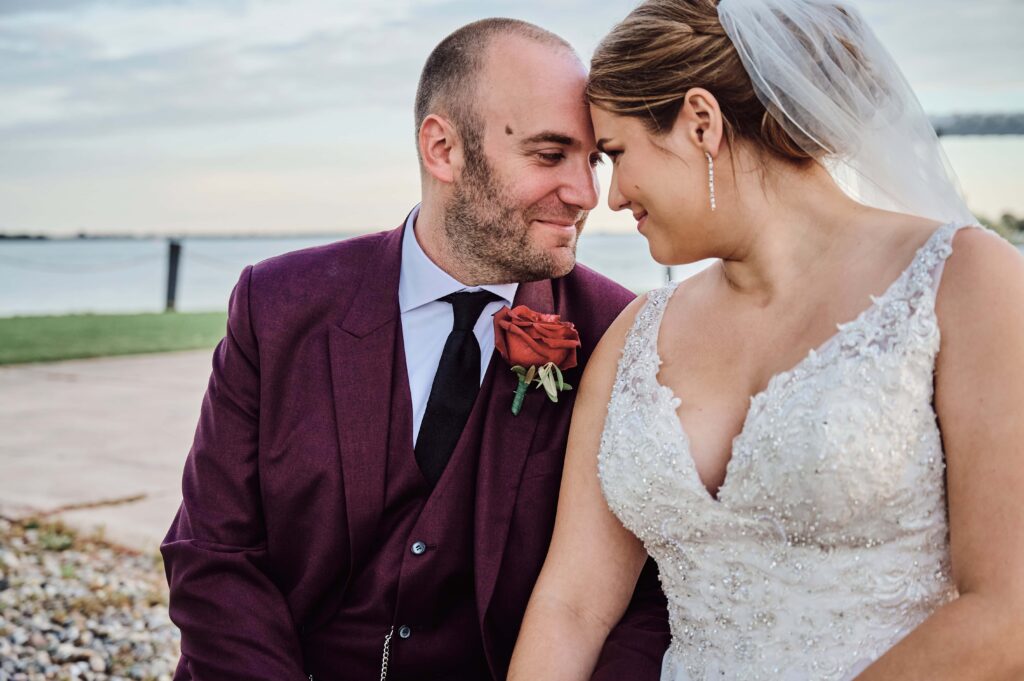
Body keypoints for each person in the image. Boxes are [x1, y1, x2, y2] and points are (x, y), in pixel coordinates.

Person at [507, 0, 1024, 679]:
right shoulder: (635, 335)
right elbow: (571, 604)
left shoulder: (963, 281)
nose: (612, 197)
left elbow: (1009, 609)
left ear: (700, 121)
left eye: (617, 154)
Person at [160, 18, 670, 681]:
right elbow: (213, 551)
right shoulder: (278, 304)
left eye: (593, 159)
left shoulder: (617, 331)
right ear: (443, 149)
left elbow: (648, 601)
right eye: (550, 155)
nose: (586, 194)